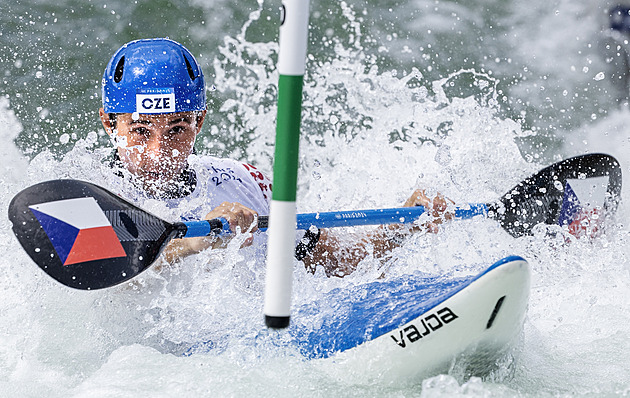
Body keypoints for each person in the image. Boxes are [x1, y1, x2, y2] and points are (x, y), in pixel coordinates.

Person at [99, 38, 451, 277]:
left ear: (199, 121)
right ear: (109, 123)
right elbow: (101, 280)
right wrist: (191, 244)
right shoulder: (86, 193)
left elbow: (332, 264)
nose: (161, 153)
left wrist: (401, 227)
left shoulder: (242, 181)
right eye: (141, 131)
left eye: (177, 129)